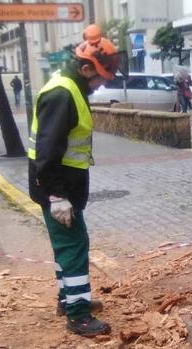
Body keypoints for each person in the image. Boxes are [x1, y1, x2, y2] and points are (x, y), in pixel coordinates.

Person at [28, 24, 125, 337]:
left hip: (62, 186)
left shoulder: (69, 87)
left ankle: (66, 300)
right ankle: (79, 315)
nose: (99, 86)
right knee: (75, 246)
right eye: (98, 78)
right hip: (57, 188)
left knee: (65, 247)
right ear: (85, 68)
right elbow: (47, 152)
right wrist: (57, 197)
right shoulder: (62, 95)